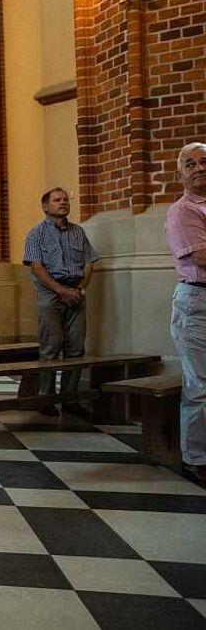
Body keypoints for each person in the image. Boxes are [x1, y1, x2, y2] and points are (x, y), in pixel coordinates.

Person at [22, 188, 99, 417]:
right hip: (50, 293)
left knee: (76, 349)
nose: (63, 203)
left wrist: (79, 289)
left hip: (75, 292)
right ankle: (46, 398)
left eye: (66, 199)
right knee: (51, 347)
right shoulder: (36, 233)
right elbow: (36, 267)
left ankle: (69, 398)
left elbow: (89, 263)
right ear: (45, 206)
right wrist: (60, 291)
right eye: (57, 200)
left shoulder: (78, 232)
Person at [164, 141, 206, 482]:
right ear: (181, 175)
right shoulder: (183, 210)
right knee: (200, 384)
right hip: (197, 303)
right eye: (190, 164)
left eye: (203, 162)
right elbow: (202, 256)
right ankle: (196, 459)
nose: (198, 168)